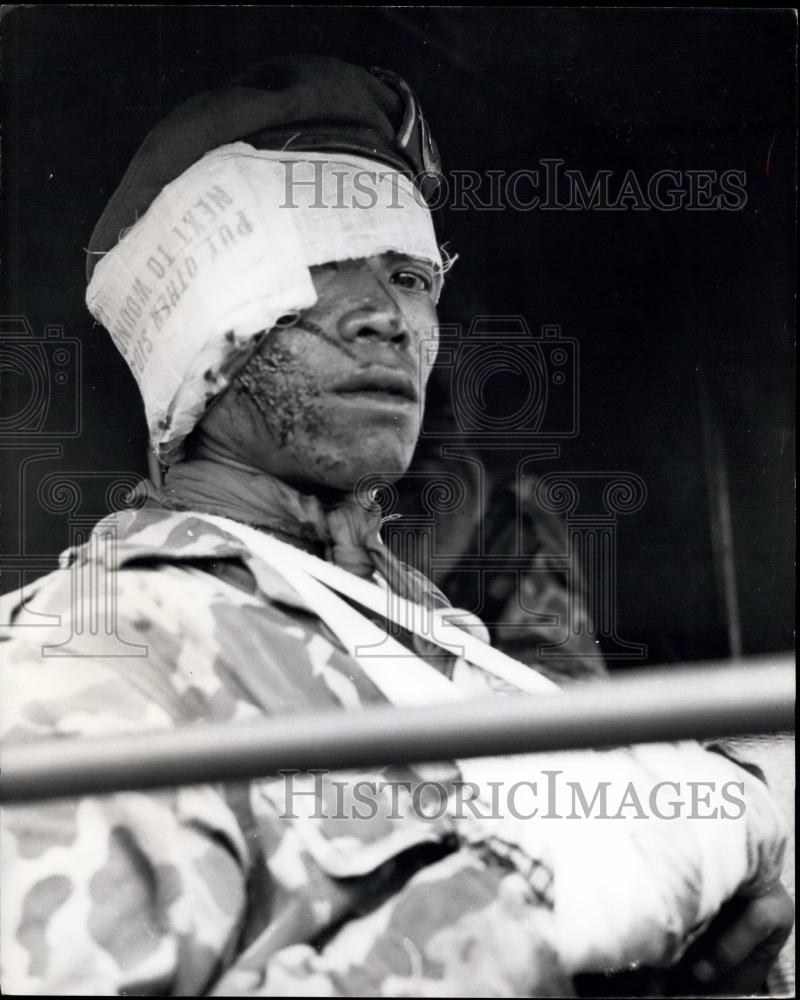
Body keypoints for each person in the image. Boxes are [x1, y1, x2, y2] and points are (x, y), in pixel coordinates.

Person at [0, 56, 792, 997]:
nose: (389, 316)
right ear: (201, 324)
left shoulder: (435, 640)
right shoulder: (94, 657)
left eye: (412, 274)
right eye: (324, 262)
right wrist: (534, 913)